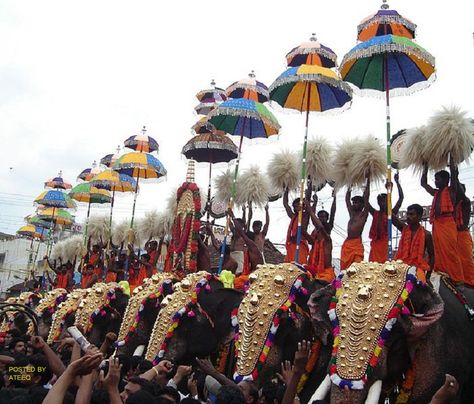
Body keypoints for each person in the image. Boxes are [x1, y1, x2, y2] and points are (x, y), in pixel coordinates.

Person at [421, 162, 464, 283]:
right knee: (438, 251)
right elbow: (423, 184)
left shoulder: (452, 190)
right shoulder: (435, 193)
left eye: (438, 179)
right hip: (437, 224)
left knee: (450, 251)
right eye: (435, 179)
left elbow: (454, 177)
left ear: (446, 180)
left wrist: (453, 162)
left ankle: (457, 279)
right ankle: (442, 274)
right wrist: (425, 166)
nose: (435, 181)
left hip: (448, 223)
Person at [392, 174, 434, 282]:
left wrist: (428, 276)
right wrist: (394, 186)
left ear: (420, 216)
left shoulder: (427, 235)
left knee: (420, 293)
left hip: (417, 270)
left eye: (412, 214)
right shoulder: (404, 228)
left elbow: (432, 256)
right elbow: (390, 214)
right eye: (407, 214)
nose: (408, 217)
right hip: (400, 268)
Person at [340, 177, 370, 270]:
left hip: (356, 245)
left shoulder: (364, 215)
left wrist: (368, 180)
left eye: (356, 202)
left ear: (362, 204)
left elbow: (366, 197)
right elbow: (347, 200)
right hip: (348, 244)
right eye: (354, 202)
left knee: (357, 268)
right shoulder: (352, 214)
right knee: (345, 270)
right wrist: (350, 184)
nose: (354, 204)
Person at [304, 200, 335, 282]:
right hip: (313, 272)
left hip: (327, 274)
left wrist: (310, 210)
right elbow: (305, 233)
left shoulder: (327, 239)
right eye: (320, 217)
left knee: (337, 288)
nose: (322, 219)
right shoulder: (315, 241)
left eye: (324, 217)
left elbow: (321, 226)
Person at [455, 182, 474, 287]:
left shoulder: (465, 202)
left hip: (463, 236)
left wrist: (455, 173)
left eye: (459, 189)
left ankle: (470, 282)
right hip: (452, 235)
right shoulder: (451, 204)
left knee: (466, 261)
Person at [283, 189, 309, 264]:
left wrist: (308, 194)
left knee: (300, 267)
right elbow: (285, 204)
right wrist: (286, 190)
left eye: (299, 205)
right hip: (292, 245)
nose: (297, 207)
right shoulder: (293, 216)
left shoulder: (305, 216)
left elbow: (308, 208)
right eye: (295, 206)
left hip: (301, 245)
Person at [368, 193, 388, 263]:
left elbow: (400, 199)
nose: (383, 203)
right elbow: (366, 202)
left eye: (385, 201)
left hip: (385, 244)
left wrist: (397, 184)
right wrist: (367, 185)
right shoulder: (375, 213)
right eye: (381, 201)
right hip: (375, 244)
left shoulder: (391, 214)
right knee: (372, 266)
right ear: (378, 202)